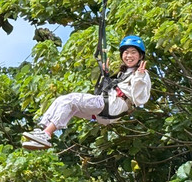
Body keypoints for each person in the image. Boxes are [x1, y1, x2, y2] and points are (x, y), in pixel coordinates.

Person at [21, 35, 151, 151]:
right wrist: (106, 76)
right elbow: (105, 90)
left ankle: (46, 134)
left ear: (140, 56)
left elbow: (140, 99)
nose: (129, 56)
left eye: (133, 53)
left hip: (113, 106)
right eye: (126, 52)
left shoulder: (141, 74)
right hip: (107, 108)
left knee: (70, 100)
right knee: (63, 101)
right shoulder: (123, 73)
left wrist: (139, 77)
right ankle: (43, 131)